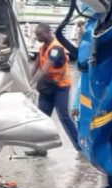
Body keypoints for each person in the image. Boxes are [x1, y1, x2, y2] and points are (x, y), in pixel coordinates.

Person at [27, 23, 79, 155]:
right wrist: (27, 79)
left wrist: (31, 85)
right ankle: (41, 149)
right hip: (47, 88)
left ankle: (80, 147)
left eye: (39, 35)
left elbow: (44, 70)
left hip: (60, 88)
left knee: (64, 117)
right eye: (36, 35)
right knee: (42, 117)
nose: (37, 37)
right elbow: (36, 66)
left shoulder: (56, 48)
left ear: (47, 33)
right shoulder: (42, 47)